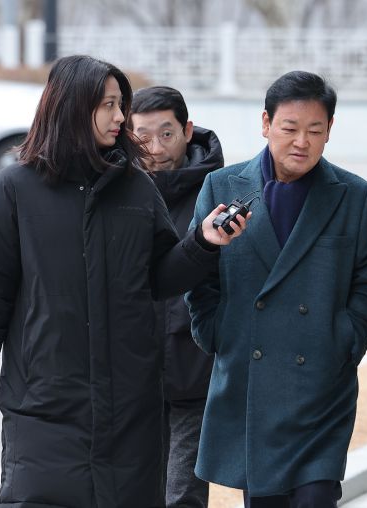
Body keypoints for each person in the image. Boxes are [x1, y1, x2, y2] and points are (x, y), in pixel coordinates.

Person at [0, 55, 247, 508]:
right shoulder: (15, 189)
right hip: (44, 395)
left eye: (120, 105)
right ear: (72, 106)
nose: (120, 117)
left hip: (129, 399)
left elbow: (161, 277)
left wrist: (203, 243)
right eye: (109, 105)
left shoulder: (136, 188)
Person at [186, 70, 367, 507]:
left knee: (316, 496)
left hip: (321, 385)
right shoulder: (222, 186)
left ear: (329, 130)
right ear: (266, 123)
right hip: (251, 378)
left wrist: (345, 340)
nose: (302, 142)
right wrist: (218, 333)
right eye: (290, 128)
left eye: (315, 130)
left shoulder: (355, 196)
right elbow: (198, 274)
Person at [130, 85, 224, 508]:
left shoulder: (218, 190)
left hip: (194, 372)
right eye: (143, 137)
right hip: (131, 377)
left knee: (182, 495)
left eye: (166, 134)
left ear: (187, 130)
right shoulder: (115, 189)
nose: (156, 148)